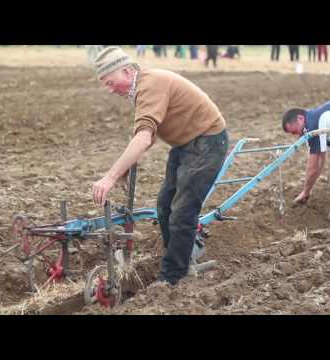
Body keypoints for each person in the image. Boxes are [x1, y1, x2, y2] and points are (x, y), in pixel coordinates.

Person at [91, 47, 229, 285]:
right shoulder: (142, 86)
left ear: (126, 71)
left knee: (182, 212)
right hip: (186, 144)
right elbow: (149, 134)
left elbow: (144, 137)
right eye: (105, 84)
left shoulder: (150, 85)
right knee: (164, 207)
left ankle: (173, 276)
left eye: (110, 82)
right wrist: (124, 168)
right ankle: (183, 254)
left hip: (207, 141)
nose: (110, 89)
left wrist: (110, 177)